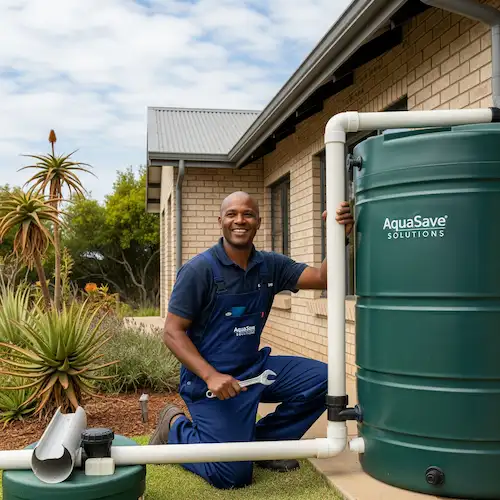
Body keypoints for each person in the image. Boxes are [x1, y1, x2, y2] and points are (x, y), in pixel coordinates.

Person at [149, 191, 354, 489]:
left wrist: (338, 236)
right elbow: (172, 331)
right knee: (232, 476)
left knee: (326, 379)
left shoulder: (270, 265)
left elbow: (322, 278)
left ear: (258, 221)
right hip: (213, 384)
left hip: (254, 371)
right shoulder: (199, 270)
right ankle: (174, 428)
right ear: (220, 221)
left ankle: (268, 444)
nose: (239, 220)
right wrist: (210, 376)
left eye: (247, 214)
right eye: (232, 214)